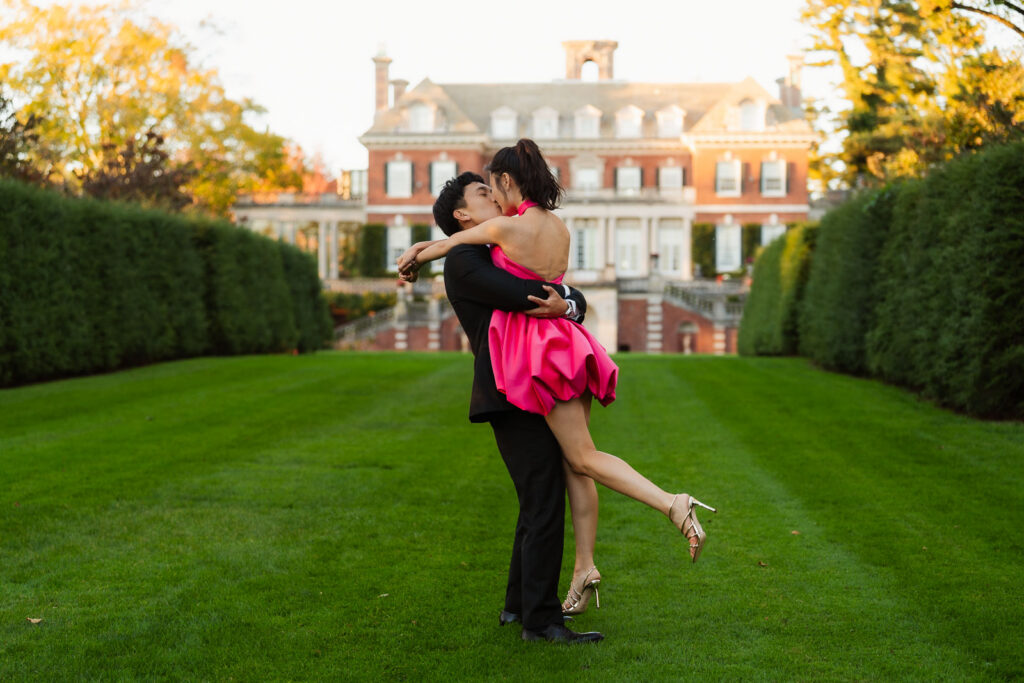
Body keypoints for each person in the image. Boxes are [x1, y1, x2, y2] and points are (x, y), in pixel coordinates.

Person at [399, 140, 716, 575]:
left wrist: (414, 256)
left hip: (542, 349)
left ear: (507, 181)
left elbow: (448, 244)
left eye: (493, 188)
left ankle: (672, 504)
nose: (494, 198)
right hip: (571, 340)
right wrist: (568, 303)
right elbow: (554, 282)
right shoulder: (560, 229)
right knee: (575, 464)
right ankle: (584, 570)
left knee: (583, 457)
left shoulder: (505, 229)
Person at [413, 171, 603, 644]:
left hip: (522, 385)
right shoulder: (464, 259)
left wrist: (568, 302)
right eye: (483, 193)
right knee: (544, 500)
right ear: (462, 215)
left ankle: (519, 607)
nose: (495, 196)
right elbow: (531, 294)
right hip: (507, 391)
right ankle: (542, 622)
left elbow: (562, 294)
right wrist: (566, 301)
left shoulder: (492, 250)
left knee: (537, 500)